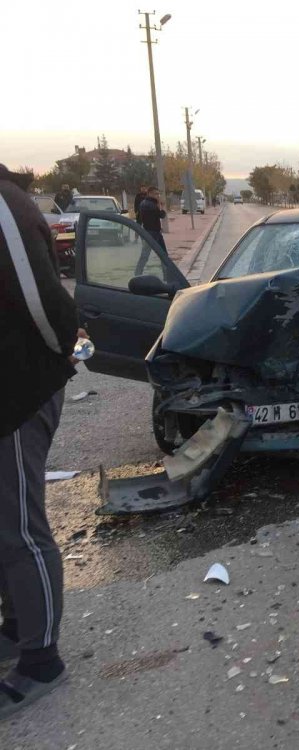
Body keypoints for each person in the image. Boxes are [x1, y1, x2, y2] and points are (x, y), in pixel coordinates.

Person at [0, 164, 84, 719]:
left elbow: (45, 303)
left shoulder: (5, 204)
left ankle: (41, 659)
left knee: (22, 529)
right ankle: (15, 627)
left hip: (15, 392)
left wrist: (54, 361)